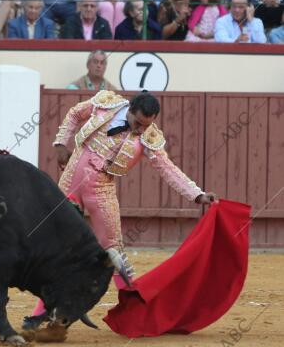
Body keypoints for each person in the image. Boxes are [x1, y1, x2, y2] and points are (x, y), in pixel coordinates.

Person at [22, 90, 217, 330]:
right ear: (130, 109)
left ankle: (136, 310)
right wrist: (61, 143)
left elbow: (168, 169)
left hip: (101, 190)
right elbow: (74, 114)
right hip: (70, 181)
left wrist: (196, 194)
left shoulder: (149, 137)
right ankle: (40, 313)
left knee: (114, 252)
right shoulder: (106, 104)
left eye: (146, 126)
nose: (140, 130)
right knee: (58, 249)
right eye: (138, 123)